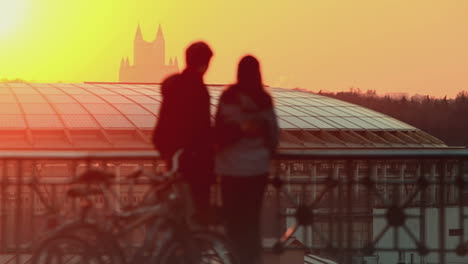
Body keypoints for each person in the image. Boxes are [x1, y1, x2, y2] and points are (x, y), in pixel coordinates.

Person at [215, 55, 279, 264]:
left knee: (233, 222)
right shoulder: (264, 99)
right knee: (251, 221)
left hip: (230, 170)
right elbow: (273, 136)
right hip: (257, 170)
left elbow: (218, 132)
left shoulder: (228, 97)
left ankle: (235, 259)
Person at [153, 41, 214, 225]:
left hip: (172, 156)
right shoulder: (198, 89)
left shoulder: (173, 85)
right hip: (194, 161)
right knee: (196, 212)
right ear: (205, 63)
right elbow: (201, 128)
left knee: (176, 213)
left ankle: (174, 247)